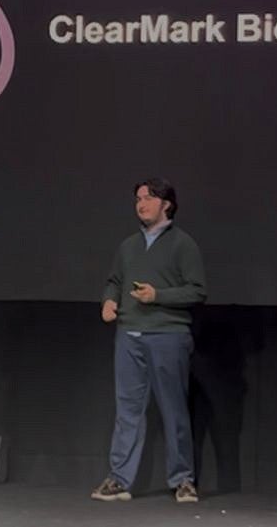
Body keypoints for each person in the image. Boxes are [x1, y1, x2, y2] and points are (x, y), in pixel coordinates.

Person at [92, 177, 207, 504]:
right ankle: (119, 479)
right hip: (129, 336)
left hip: (168, 335)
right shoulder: (128, 246)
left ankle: (183, 479)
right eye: (138, 198)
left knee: (173, 409)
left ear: (166, 204)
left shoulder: (183, 244)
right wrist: (109, 301)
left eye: (148, 198)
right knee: (128, 410)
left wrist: (159, 295)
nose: (141, 204)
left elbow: (197, 290)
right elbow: (113, 281)